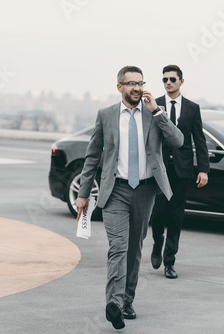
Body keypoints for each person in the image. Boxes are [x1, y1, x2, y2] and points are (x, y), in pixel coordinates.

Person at [76, 65, 184, 329]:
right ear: (119, 87)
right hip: (116, 190)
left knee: (134, 248)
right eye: (131, 83)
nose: (137, 88)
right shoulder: (106, 115)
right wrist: (83, 194)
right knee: (118, 248)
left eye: (140, 83)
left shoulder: (153, 113)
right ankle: (113, 302)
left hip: (145, 190)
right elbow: (92, 156)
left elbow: (178, 140)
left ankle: (127, 301)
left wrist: (157, 112)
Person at [149, 64, 209, 279]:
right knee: (157, 213)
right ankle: (157, 243)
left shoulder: (192, 108)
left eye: (172, 79)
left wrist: (203, 169)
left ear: (181, 81)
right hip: (160, 169)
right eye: (164, 79)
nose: (168, 83)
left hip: (182, 170)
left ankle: (169, 262)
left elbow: (199, 141)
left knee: (176, 216)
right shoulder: (154, 104)